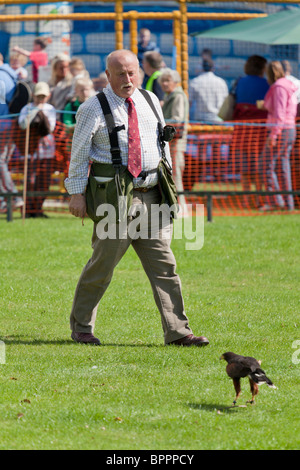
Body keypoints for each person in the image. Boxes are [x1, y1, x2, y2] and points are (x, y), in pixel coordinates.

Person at [64, 49, 209, 347]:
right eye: (120, 74)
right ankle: (81, 327)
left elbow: (161, 144)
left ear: (140, 72)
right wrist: (76, 194)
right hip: (114, 199)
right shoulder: (92, 107)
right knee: (101, 267)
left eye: (132, 73)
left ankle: (179, 332)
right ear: (108, 76)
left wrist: (169, 183)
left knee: (165, 267)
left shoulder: (150, 99)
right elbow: (78, 155)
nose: (128, 79)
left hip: (153, 195)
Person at [258, 61, 297, 211]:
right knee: (283, 166)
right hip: (289, 129)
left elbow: (280, 114)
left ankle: (275, 201)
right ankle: (288, 204)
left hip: (280, 130)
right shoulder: (287, 85)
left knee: (265, 164)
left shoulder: (279, 87)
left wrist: (273, 135)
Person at [232, 55, 270, 208]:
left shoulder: (239, 82)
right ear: (262, 68)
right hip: (260, 132)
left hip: (242, 131)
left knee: (245, 168)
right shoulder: (267, 84)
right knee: (259, 167)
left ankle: (245, 199)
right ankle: (259, 199)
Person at [18, 81, 56, 217]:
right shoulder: (26, 108)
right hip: (30, 150)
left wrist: (41, 115)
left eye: (43, 96)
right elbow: (22, 125)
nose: (40, 99)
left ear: (48, 96)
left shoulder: (50, 109)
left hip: (46, 150)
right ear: (33, 95)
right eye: (38, 96)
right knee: (30, 180)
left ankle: (38, 208)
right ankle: (28, 209)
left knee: (44, 181)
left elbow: (50, 128)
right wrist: (34, 112)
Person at [158, 67, 189, 215]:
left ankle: (181, 209)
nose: (164, 83)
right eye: (162, 80)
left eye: (167, 80)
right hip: (171, 143)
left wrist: (160, 122)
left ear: (175, 81)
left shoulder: (177, 96)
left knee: (175, 175)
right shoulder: (170, 95)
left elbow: (177, 118)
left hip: (176, 142)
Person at [188, 57, 228, 123]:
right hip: (218, 119)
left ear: (202, 67)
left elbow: (189, 102)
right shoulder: (221, 82)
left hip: (200, 120)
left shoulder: (195, 81)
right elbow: (226, 102)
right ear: (213, 68)